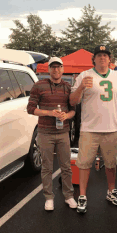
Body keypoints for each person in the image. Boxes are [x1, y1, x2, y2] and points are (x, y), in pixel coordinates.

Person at [70, 45, 117, 213]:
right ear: (93, 59)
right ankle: (82, 195)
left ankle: (111, 191)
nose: (102, 58)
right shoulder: (85, 75)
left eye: (105, 55)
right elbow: (73, 101)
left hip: (112, 128)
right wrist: (81, 87)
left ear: (110, 59)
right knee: (84, 164)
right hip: (89, 128)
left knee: (111, 163)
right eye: (99, 55)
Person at [27, 57, 77, 211]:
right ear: (48, 70)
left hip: (63, 132)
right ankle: (49, 197)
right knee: (47, 167)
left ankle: (69, 196)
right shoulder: (39, 85)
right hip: (44, 132)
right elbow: (30, 109)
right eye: (53, 67)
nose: (56, 70)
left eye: (58, 67)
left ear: (63, 69)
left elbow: (73, 111)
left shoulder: (68, 87)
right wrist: (49, 113)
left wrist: (65, 116)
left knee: (66, 166)